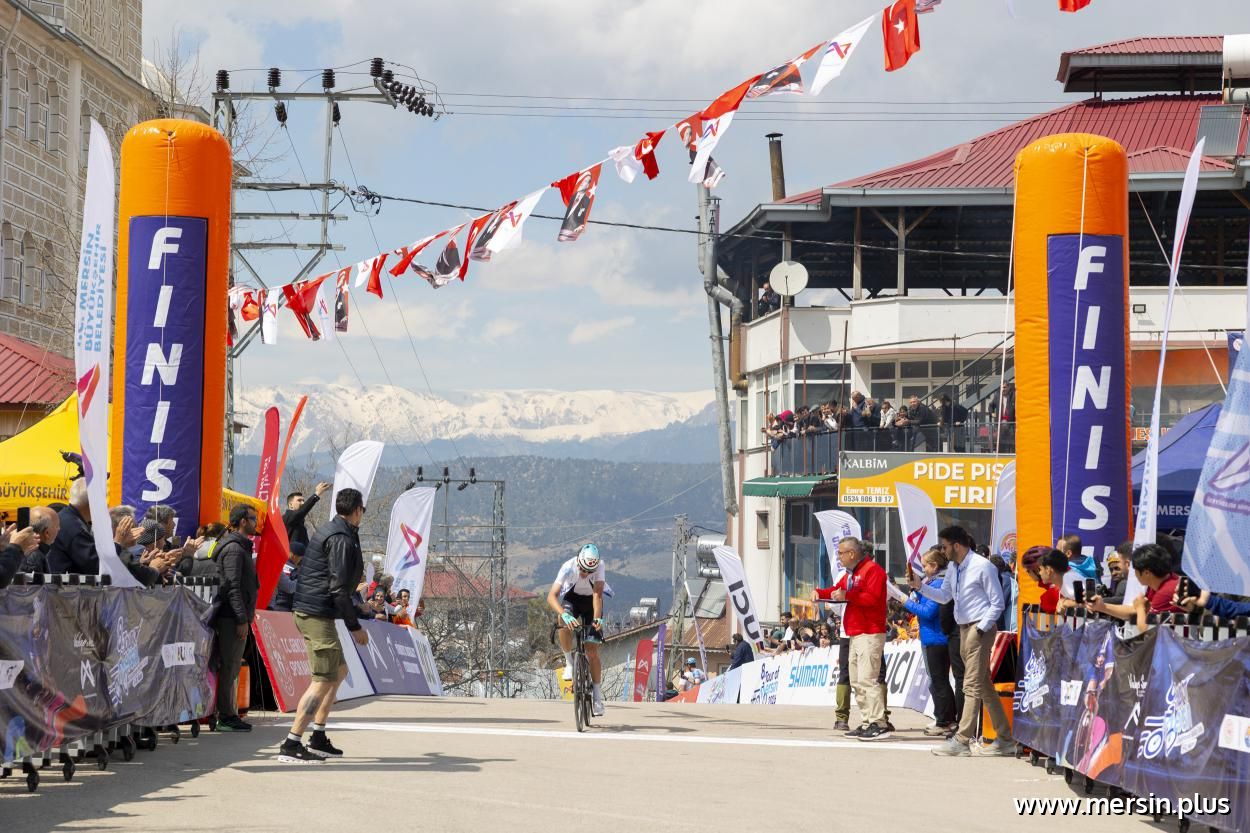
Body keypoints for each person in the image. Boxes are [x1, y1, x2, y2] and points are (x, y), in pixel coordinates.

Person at [280, 488, 369, 763]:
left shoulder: (339, 530)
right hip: (315, 613)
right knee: (322, 680)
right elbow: (338, 588)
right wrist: (355, 626)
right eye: (363, 510)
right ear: (357, 510)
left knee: (339, 671)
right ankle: (291, 743)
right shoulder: (340, 537)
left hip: (317, 611)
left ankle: (317, 736)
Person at [910, 525, 1012, 756]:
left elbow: (997, 602)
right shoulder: (954, 568)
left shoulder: (982, 566)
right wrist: (920, 587)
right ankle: (1005, 738)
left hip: (978, 627)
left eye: (945, 546)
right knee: (983, 685)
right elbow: (944, 596)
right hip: (965, 627)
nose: (942, 551)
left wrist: (981, 629)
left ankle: (962, 739)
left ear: (956, 545)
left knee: (971, 684)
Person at [812, 536, 890, 741]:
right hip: (855, 632)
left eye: (841, 553)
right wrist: (819, 592)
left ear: (852, 553)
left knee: (867, 679)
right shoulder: (851, 574)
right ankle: (867, 721)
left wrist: (847, 596)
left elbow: (872, 598)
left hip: (870, 631)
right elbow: (835, 591)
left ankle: (879, 722)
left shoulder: (873, 570)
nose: (839, 557)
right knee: (856, 680)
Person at [212, 506, 259, 733]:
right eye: (253, 518)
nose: (256, 522)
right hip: (231, 618)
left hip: (236, 616)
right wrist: (241, 618)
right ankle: (226, 716)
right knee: (230, 666)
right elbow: (232, 587)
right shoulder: (234, 549)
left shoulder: (240, 547)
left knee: (232, 667)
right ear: (242, 521)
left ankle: (228, 713)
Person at [546, 543, 607, 717]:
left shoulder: (600, 566)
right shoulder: (568, 566)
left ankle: (597, 696)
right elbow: (551, 596)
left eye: (588, 572)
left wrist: (597, 618)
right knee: (562, 620)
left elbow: (597, 595)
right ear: (578, 562)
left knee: (592, 650)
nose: (584, 574)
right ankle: (569, 661)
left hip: (591, 603)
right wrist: (564, 615)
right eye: (582, 569)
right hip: (571, 599)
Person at [905, 547, 958, 736]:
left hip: (937, 638)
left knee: (939, 680)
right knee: (937, 680)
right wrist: (916, 588)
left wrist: (905, 601)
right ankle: (946, 718)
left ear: (935, 566)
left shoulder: (939, 584)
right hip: (932, 637)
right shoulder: (932, 583)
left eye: (925, 565)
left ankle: (945, 720)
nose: (923, 569)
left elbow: (928, 611)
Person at [1087, 543, 1184, 630]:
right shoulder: (1160, 582)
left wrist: (1140, 608)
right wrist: (1102, 607)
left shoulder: (1165, 592)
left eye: (1135, 569)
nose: (1133, 573)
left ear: (1147, 573)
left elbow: (1145, 629)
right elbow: (1133, 611)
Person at [283, 482, 331, 551]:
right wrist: (316, 494)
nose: (303, 503)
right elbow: (301, 512)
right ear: (290, 505)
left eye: (303, 500)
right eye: (299, 500)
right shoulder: (287, 517)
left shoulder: (299, 522)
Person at [18, 506, 60, 574]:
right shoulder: (35, 556)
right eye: (57, 526)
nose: (59, 529)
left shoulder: (26, 551)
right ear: (47, 533)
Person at [270, 543, 303, 612]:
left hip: (272, 603)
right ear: (294, 556)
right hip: (286, 606)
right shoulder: (295, 570)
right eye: (300, 558)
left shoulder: (277, 563)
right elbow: (291, 588)